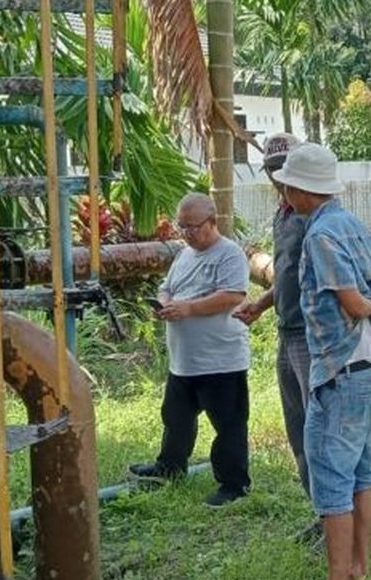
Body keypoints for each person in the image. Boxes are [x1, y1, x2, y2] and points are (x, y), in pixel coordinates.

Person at [272, 143, 371, 580]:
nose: (283, 192)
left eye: (288, 185)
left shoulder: (320, 235)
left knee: (330, 476)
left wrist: (365, 308)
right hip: (369, 365)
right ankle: (359, 568)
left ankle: (339, 573)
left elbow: (353, 301)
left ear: (301, 191)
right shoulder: (352, 223)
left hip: (341, 365)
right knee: (361, 469)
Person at [129, 193, 252, 508]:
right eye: (181, 227)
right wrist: (165, 303)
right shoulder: (185, 255)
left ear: (212, 222)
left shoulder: (230, 254)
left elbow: (232, 296)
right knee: (175, 418)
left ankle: (234, 484)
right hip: (184, 360)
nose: (187, 233)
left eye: (193, 227)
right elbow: (166, 287)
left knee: (228, 426)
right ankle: (170, 467)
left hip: (220, 360)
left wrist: (189, 309)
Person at [232, 133, 320, 534]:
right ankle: (323, 516)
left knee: (320, 432)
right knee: (298, 430)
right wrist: (263, 303)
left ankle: (338, 522)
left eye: (284, 167)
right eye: (271, 169)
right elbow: (288, 273)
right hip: (288, 332)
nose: (278, 176)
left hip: (313, 334)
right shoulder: (284, 212)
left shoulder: (314, 212)